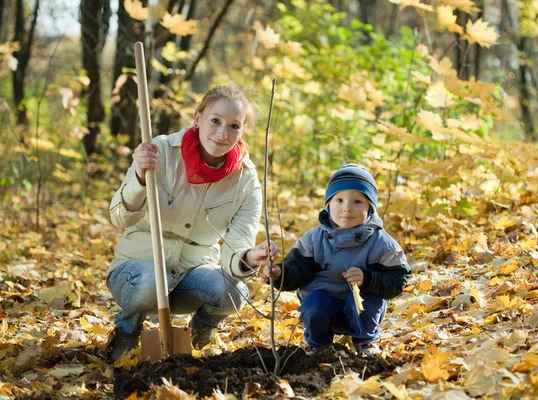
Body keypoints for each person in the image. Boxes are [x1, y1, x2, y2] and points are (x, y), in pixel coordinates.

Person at [106, 85, 278, 360]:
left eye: (234, 126)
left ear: (243, 130)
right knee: (153, 279)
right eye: (215, 121)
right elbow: (120, 217)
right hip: (137, 273)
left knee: (235, 292)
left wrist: (250, 256)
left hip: (191, 275)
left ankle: (200, 331)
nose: (222, 133)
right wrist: (139, 176)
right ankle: (126, 332)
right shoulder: (159, 150)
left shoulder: (246, 181)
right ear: (198, 118)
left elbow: (235, 253)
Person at [263, 164, 411, 356]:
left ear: (370, 207)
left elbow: (398, 279)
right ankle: (318, 345)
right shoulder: (313, 240)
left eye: (357, 201)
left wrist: (368, 279)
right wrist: (280, 273)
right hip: (325, 305)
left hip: (360, 309)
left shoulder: (382, 243)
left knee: (368, 300)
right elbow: (298, 268)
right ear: (328, 205)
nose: (347, 208)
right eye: (339, 200)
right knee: (313, 303)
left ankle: (365, 341)